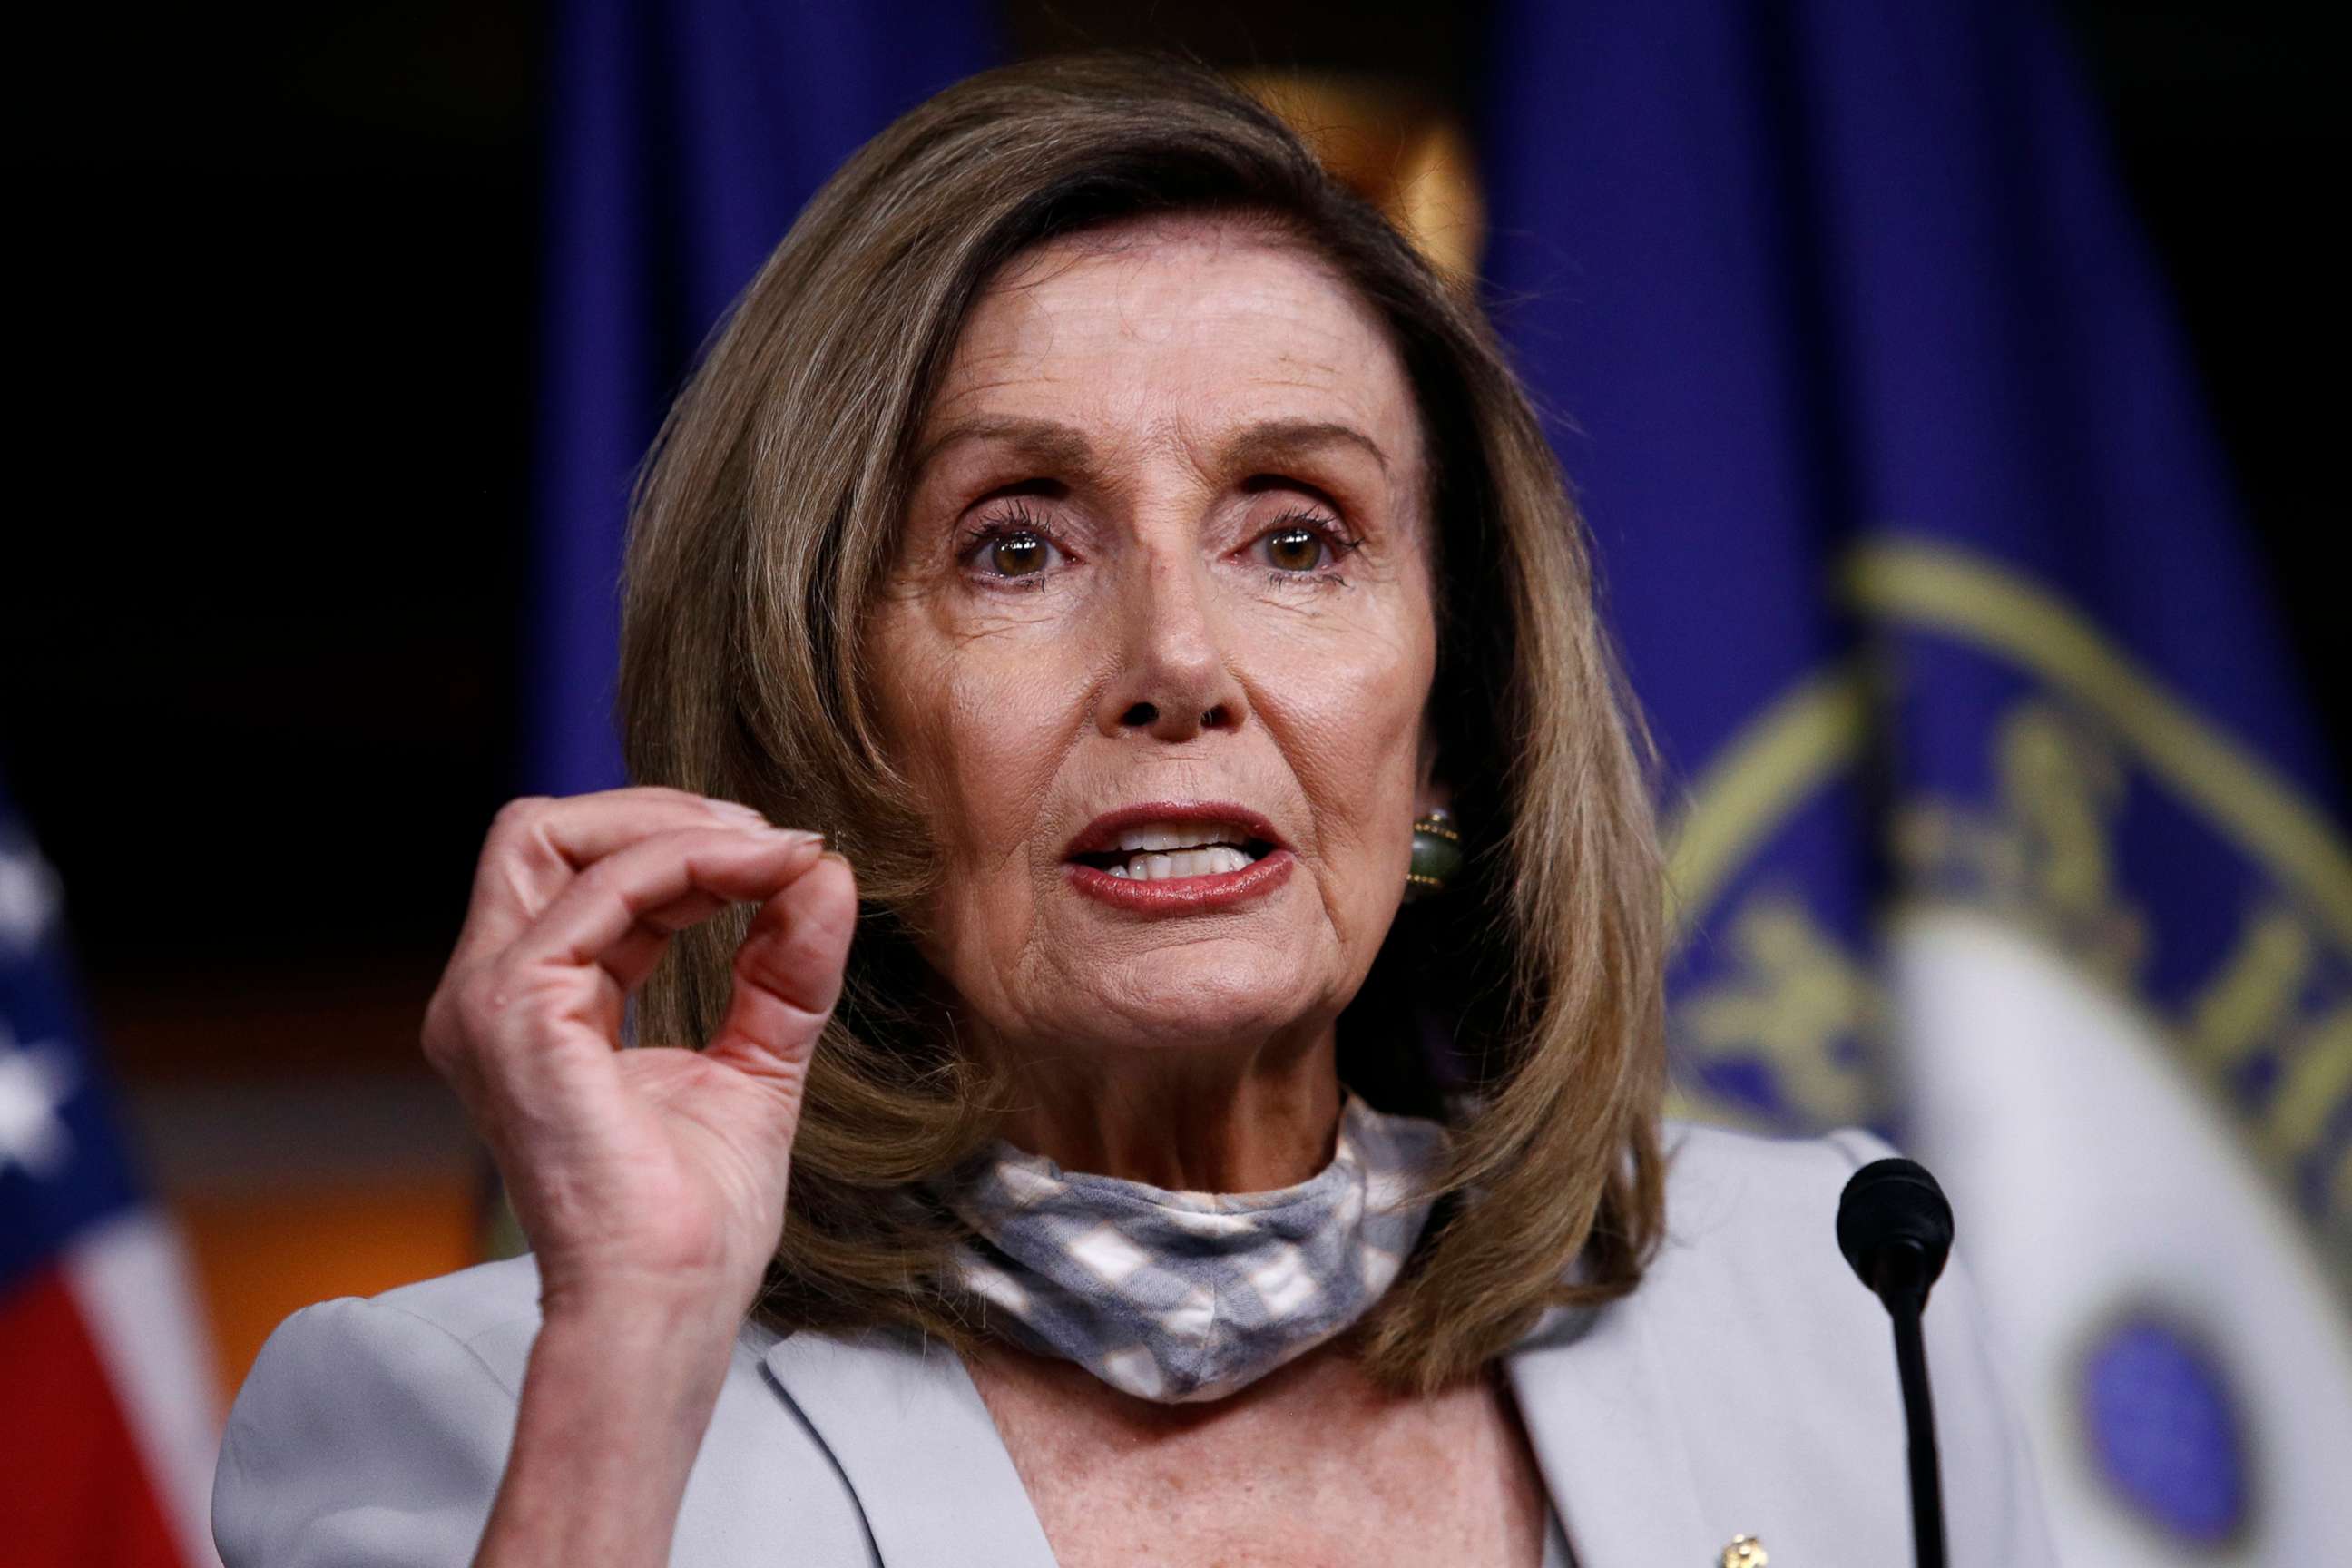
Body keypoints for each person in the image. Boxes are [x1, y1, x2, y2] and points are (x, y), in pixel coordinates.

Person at [212, 55, 2053, 1568]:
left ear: (1450, 730)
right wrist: (626, 1359)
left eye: (1296, 536)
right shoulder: (475, 1407)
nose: (1177, 656)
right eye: (1015, 545)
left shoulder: (1844, 1300)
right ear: (823, 714)